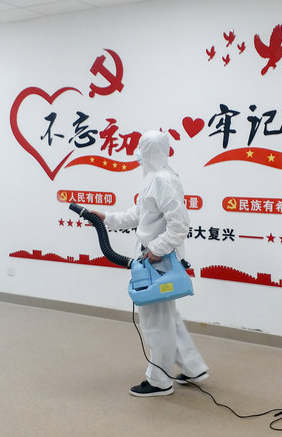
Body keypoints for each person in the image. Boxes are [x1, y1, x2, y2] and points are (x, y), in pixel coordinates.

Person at [92, 130, 209, 397]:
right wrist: (106, 217)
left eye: (140, 148)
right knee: (168, 318)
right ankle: (193, 368)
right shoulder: (154, 179)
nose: (137, 154)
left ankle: (159, 381)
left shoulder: (163, 181)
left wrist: (156, 249)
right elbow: (140, 214)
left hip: (158, 263)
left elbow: (179, 225)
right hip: (154, 260)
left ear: (148, 151)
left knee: (156, 323)